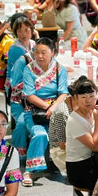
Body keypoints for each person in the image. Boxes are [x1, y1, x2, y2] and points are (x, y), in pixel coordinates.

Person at [21, 38, 69, 184]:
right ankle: (29, 171)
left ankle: (66, 167)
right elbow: (29, 95)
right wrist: (47, 107)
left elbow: (63, 93)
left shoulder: (60, 69)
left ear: (53, 52)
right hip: (34, 111)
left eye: (44, 52)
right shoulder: (29, 69)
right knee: (40, 134)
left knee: (65, 135)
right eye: (37, 52)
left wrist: (54, 108)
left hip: (56, 110)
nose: (40, 56)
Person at [65, 79, 98, 191]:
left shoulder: (94, 112)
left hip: (94, 161)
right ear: (76, 98)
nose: (88, 101)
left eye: (92, 96)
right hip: (80, 167)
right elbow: (95, 147)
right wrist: (97, 120)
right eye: (83, 97)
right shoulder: (74, 120)